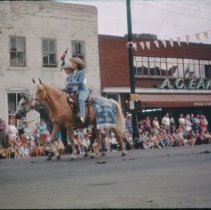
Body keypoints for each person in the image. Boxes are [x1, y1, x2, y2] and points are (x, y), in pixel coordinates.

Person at [65, 57, 90, 123]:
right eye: (72, 63)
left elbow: (82, 82)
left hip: (83, 90)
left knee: (81, 99)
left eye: (73, 63)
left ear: (77, 65)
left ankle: (82, 116)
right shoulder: (75, 73)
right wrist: (68, 85)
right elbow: (72, 84)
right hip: (76, 91)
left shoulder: (82, 72)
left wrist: (72, 83)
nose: (72, 65)